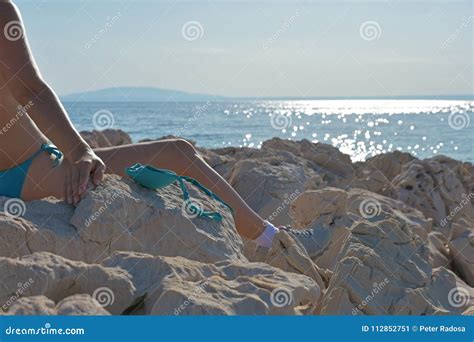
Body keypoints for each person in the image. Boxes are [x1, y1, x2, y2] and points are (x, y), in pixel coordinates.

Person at [0, 0, 321, 254]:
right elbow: (28, 89)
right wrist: (79, 150)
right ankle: (272, 240)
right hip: (31, 173)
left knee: (174, 154)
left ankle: (267, 235)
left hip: (30, 166)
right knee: (176, 152)